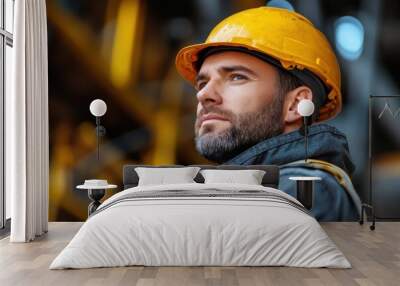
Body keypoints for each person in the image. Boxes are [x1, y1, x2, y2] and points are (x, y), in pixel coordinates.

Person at [175, 6, 361, 221]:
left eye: (237, 77)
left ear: (296, 104)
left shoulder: (302, 191)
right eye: (203, 83)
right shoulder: (257, 192)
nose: (204, 95)